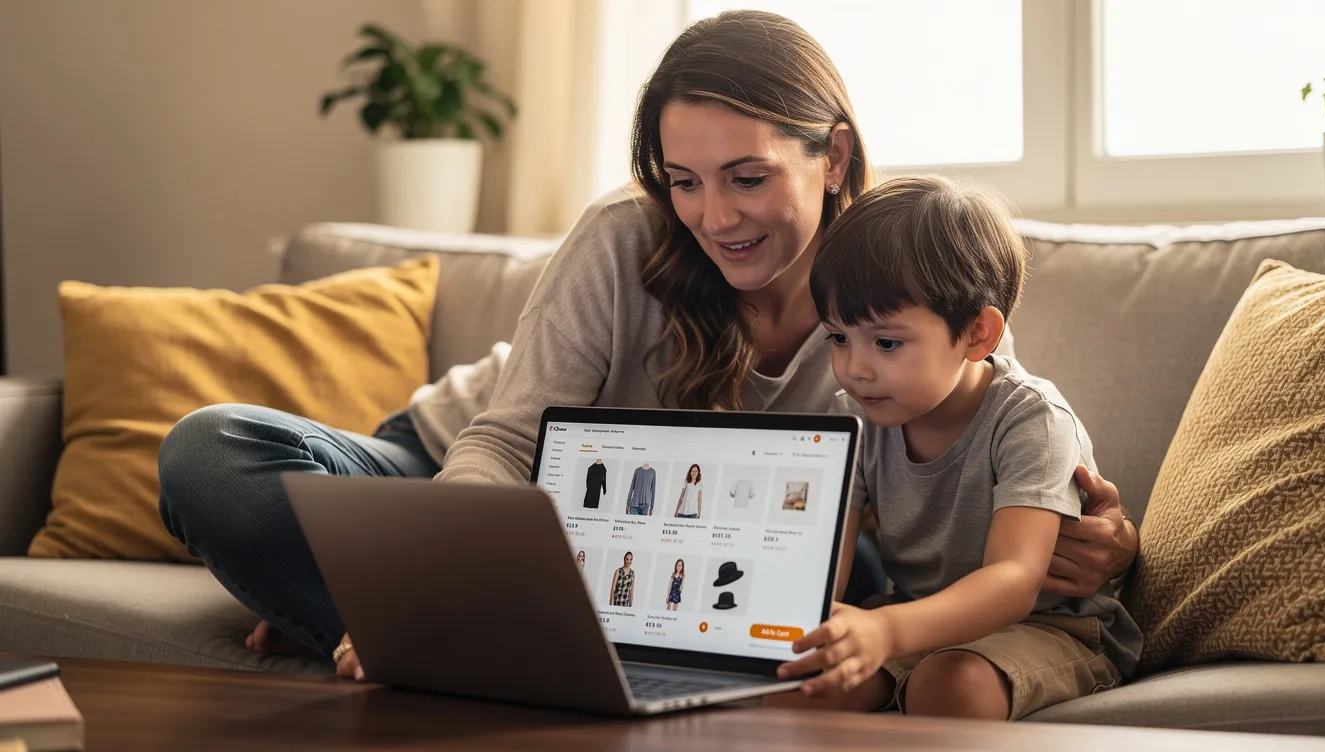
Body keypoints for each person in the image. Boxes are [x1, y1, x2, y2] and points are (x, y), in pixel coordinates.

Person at [156, 10, 1137, 682]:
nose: (715, 216)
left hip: (637, 547)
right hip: (462, 475)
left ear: (831, 155)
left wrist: (1090, 539)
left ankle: (377, 624)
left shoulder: (890, 274)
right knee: (212, 454)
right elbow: (502, 444)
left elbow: (978, 416)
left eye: (747, 177)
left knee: (826, 593)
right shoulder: (625, 238)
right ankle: (420, 626)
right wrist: (428, 577)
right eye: (685, 180)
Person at [773, 176, 1143, 718]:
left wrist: (884, 627)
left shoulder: (1030, 419)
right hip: (915, 618)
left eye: (887, 342)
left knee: (950, 685)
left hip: (1049, 627)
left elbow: (1014, 581)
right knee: (796, 685)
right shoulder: (854, 415)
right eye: (839, 338)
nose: (854, 368)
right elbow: (824, 560)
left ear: (976, 334)